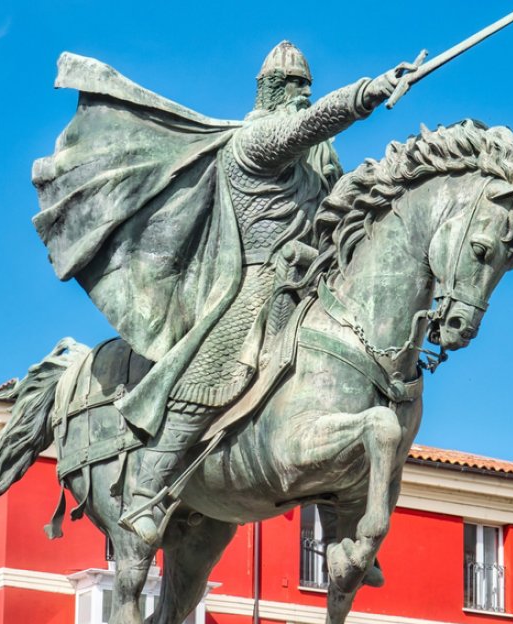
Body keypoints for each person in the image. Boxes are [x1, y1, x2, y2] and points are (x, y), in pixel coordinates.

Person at [32, 42, 415, 543]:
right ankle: (150, 484)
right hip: (255, 284)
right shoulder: (255, 141)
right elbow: (308, 125)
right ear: (275, 91)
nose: (305, 95)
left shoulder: (313, 165)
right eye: (298, 87)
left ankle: (343, 511)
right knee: (221, 366)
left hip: (311, 282)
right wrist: (368, 92)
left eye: (309, 88)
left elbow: (338, 205)